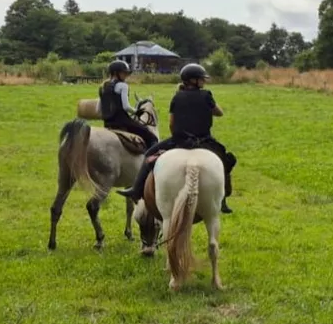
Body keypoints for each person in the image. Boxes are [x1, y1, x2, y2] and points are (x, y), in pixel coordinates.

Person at [117, 63, 236, 213]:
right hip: (204, 141)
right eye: (201, 79)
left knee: (148, 156)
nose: (204, 81)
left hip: (179, 140)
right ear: (193, 80)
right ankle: (223, 199)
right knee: (226, 160)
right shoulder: (206, 95)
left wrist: (177, 136)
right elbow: (219, 113)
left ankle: (136, 190)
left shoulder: (177, 97)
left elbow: (172, 123)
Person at [99, 60, 158, 149]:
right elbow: (126, 107)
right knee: (151, 136)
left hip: (107, 123)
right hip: (123, 122)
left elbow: (100, 107)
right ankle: (149, 158)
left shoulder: (103, 86)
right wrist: (136, 112)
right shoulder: (123, 86)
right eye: (124, 73)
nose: (126, 76)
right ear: (116, 73)